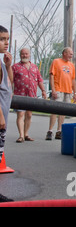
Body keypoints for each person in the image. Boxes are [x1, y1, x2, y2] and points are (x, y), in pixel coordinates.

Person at [12, 48, 46, 142]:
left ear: (29, 55)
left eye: (26, 54)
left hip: (31, 95)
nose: (24, 55)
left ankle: (26, 134)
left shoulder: (34, 67)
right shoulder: (15, 67)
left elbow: (40, 80)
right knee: (20, 114)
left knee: (29, 115)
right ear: (20, 55)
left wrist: (43, 90)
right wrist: (10, 91)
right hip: (20, 95)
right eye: (23, 54)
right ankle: (21, 136)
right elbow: (10, 80)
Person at [46, 47, 76, 140]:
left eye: (72, 54)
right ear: (64, 53)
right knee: (55, 110)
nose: (71, 55)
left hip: (68, 91)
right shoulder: (56, 61)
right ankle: (50, 131)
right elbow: (51, 76)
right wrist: (53, 90)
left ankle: (59, 131)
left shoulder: (71, 65)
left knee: (63, 112)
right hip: (58, 89)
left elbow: (73, 79)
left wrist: (74, 92)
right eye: (70, 53)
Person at [0, 25, 14, 202]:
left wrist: (9, 66)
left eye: (7, 39)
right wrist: (0, 116)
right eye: (2, 39)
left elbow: (9, 84)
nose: (6, 43)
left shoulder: (2, 64)